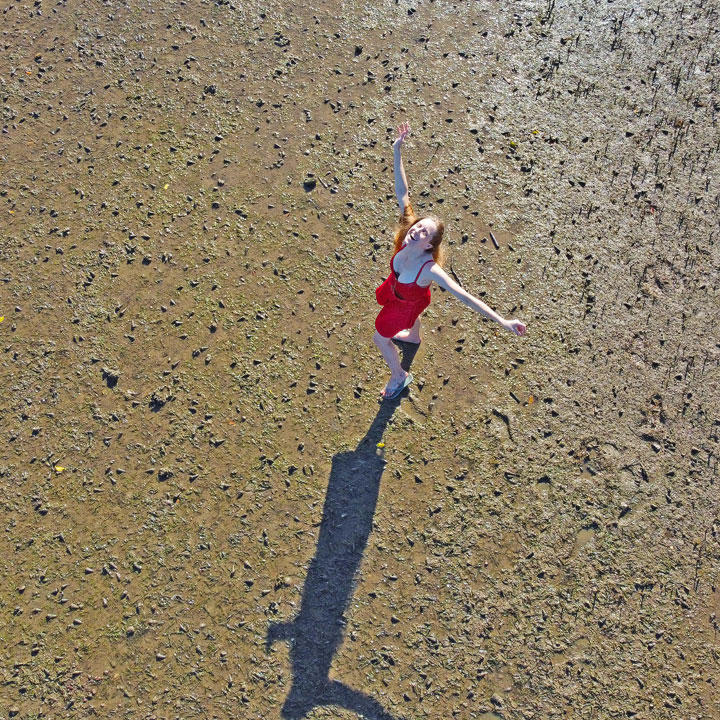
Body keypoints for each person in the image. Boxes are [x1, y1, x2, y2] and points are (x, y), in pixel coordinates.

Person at [373, 121, 527, 399]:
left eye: (423, 233)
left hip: (405, 303)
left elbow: (465, 297)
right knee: (413, 311)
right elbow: (403, 192)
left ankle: (399, 376)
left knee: (380, 338)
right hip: (404, 295)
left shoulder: (429, 269)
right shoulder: (408, 234)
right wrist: (397, 151)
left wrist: (503, 321)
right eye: (418, 226)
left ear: (429, 246)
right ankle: (413, 337)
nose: (416, 230)